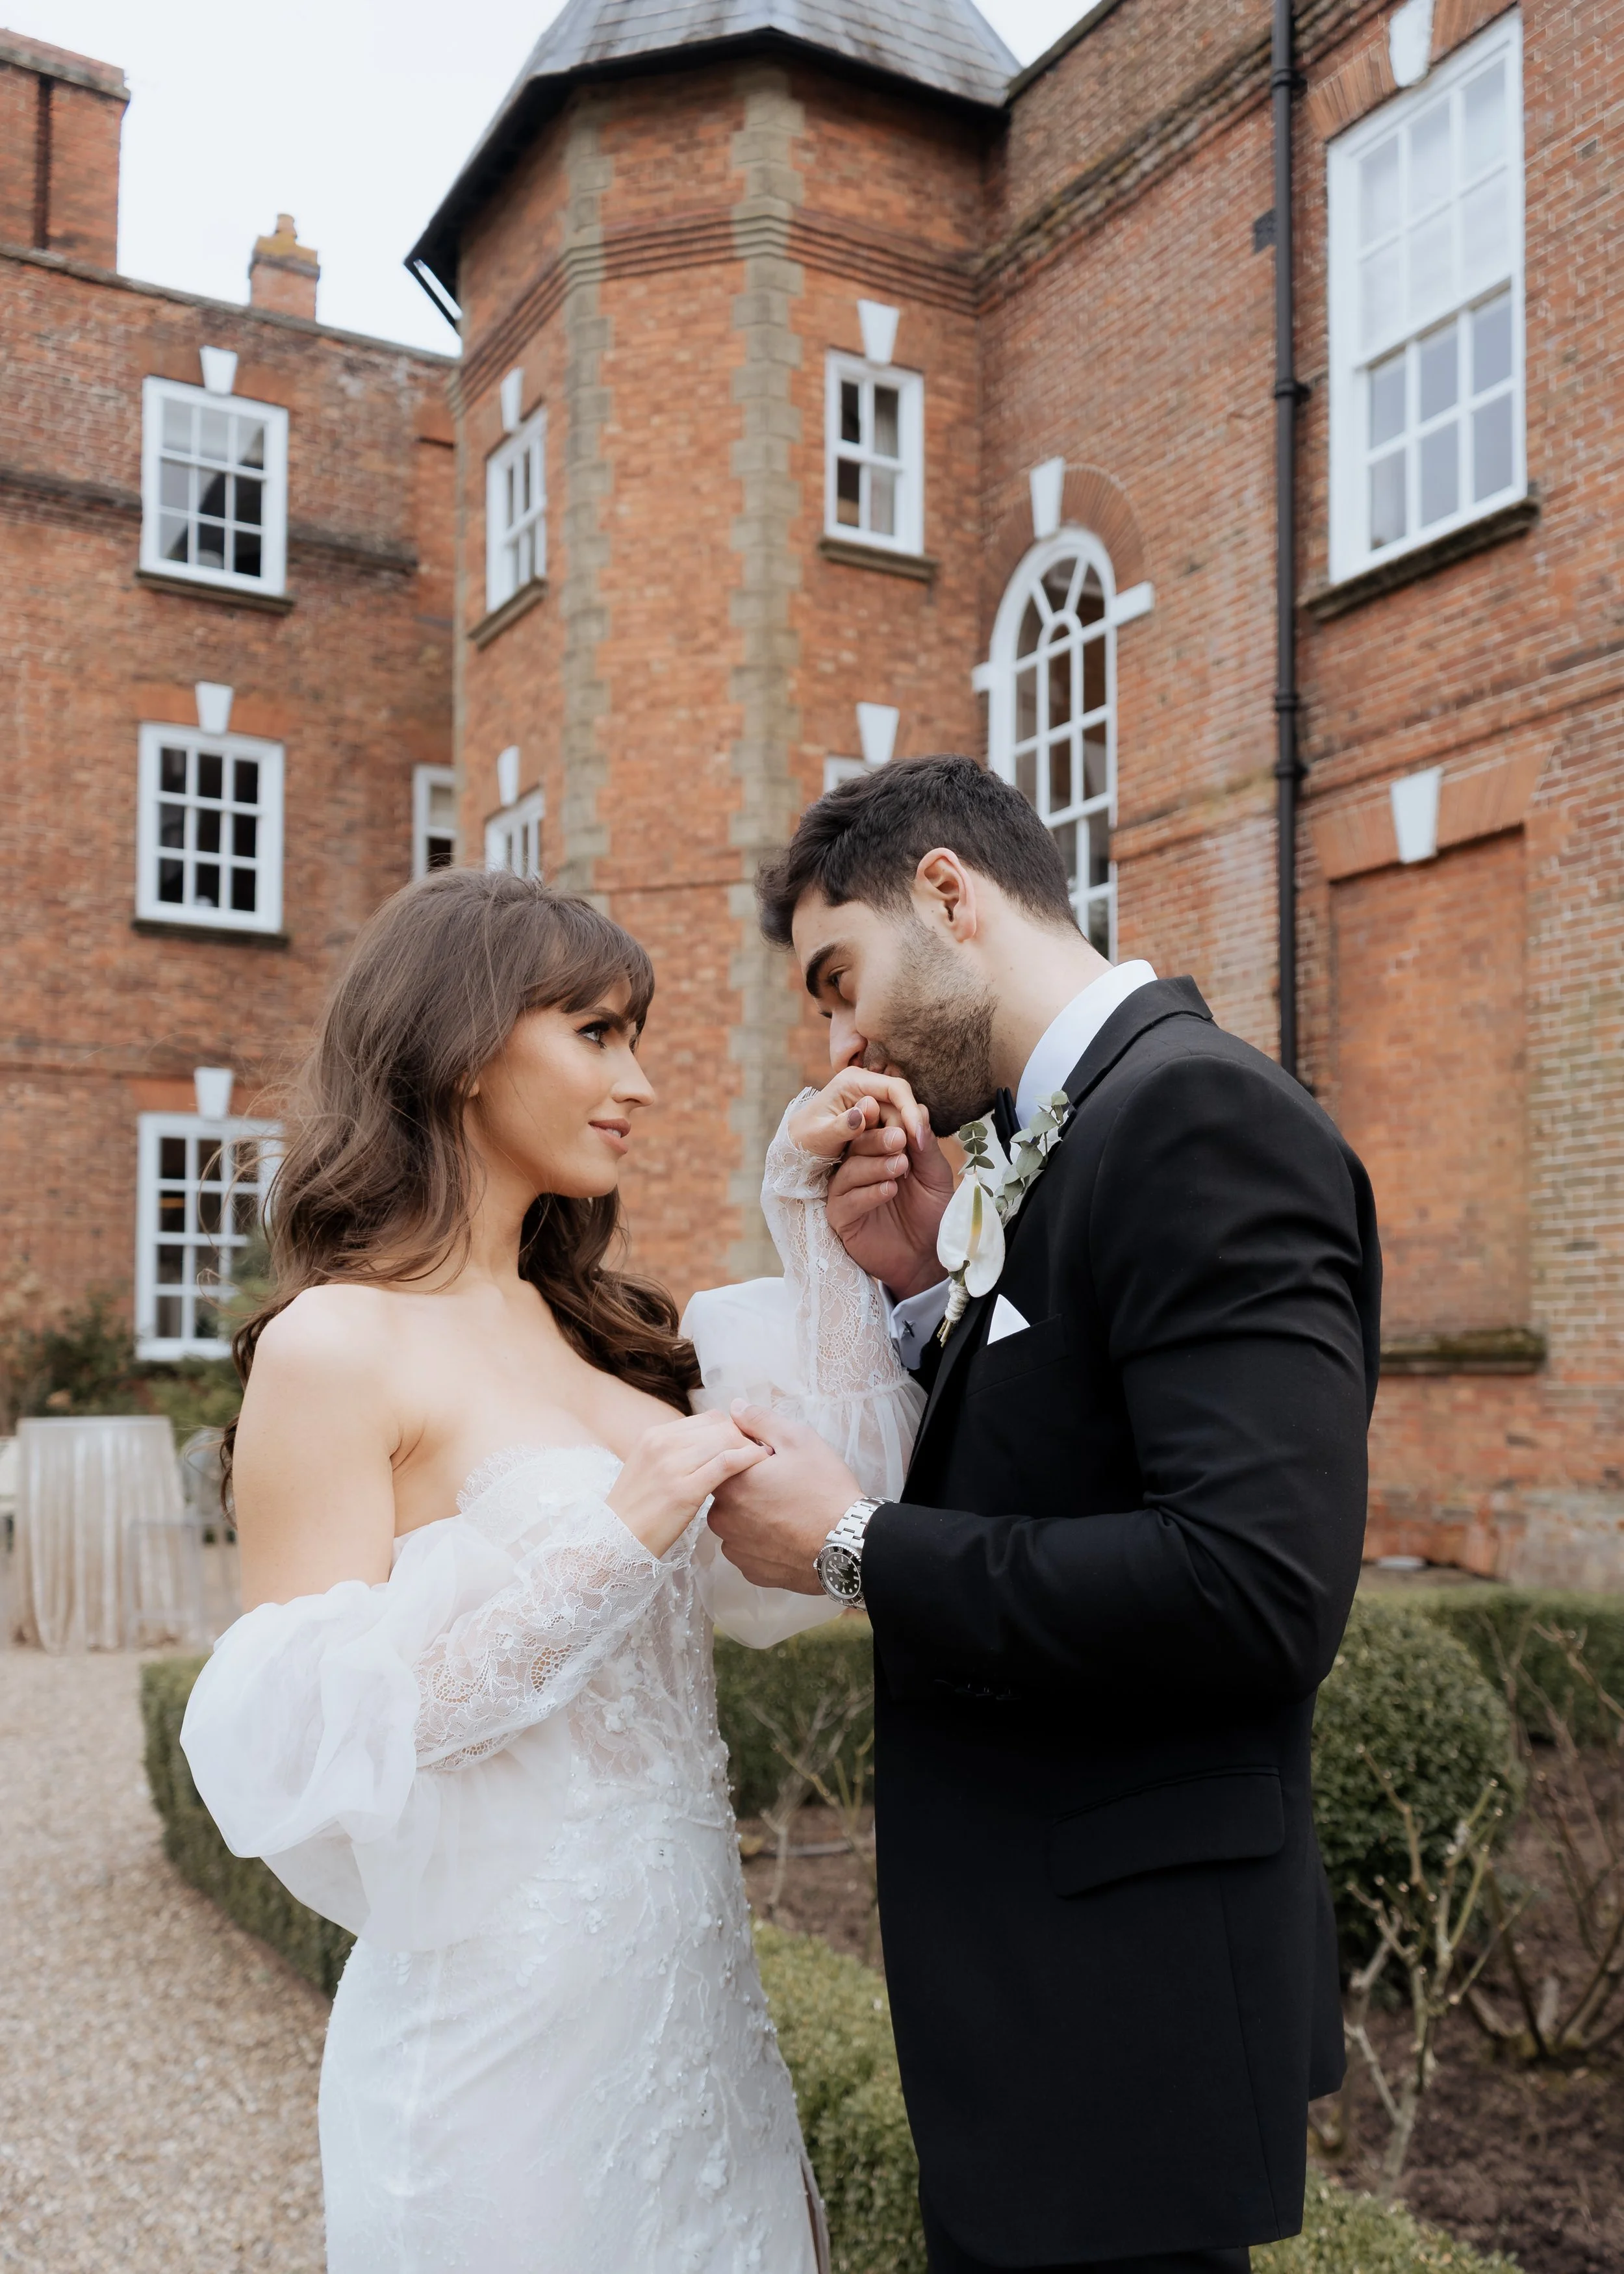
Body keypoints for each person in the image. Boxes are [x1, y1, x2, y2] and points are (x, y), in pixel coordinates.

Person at [179, 868, 917, 2274]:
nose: (634, 1080)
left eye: (631, 1035)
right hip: (494, 2056)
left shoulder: (601, 1334)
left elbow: (838, 1518)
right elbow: (313, 1739)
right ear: (459, 1048)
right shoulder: (337, 1345)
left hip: (694, 2027)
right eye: (593, 1031)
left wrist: (811, 1221)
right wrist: (612, 1532)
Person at [707, 754, 1381, 2274]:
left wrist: (850, 1546)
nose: (839, 1042)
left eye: (840, 978)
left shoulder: (1198, 1117)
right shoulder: (1068, 1136)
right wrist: (924, 1291)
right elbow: (1079, 1454)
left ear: (947, 891)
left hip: (1121, 2019)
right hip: (1045, 2012)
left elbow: (1251, 1587)